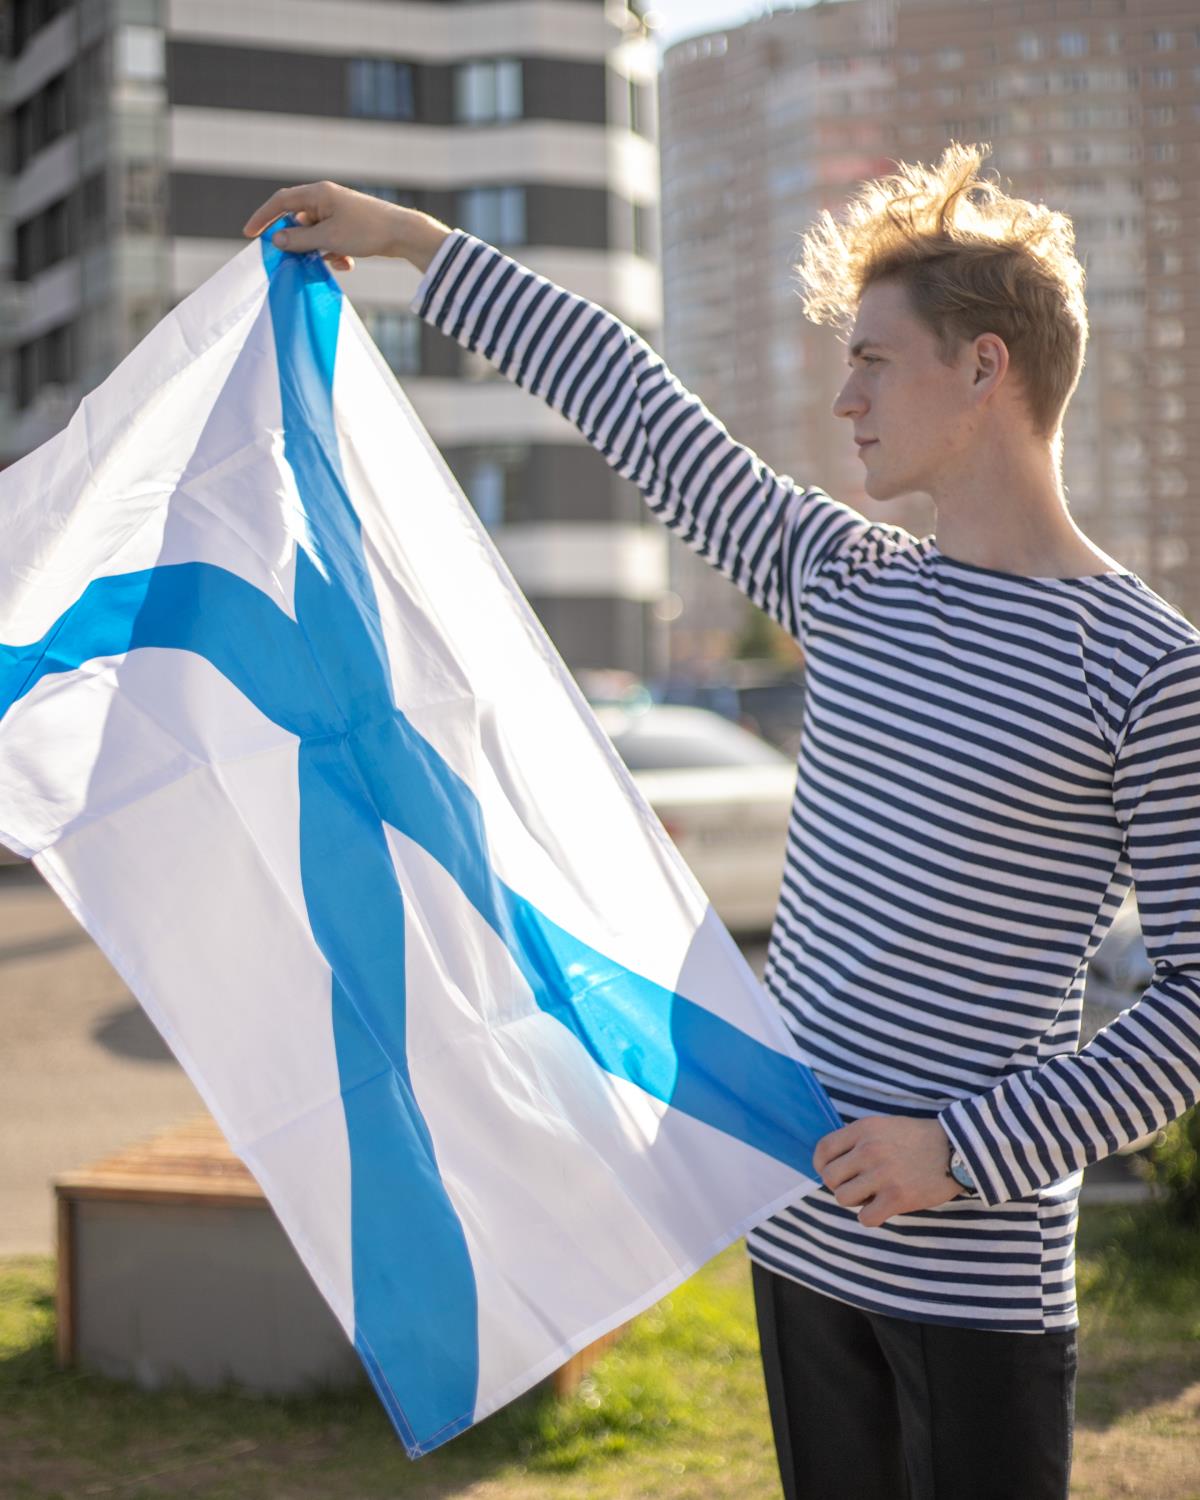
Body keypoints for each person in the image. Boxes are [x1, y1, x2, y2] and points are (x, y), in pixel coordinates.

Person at [242, 142, 1200, 1499]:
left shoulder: (1147, 669)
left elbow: (1192, 1010)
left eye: (874, 361)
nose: (845, 397)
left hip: (976, 1292)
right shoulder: (842, 579)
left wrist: (956, 1152)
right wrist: (407, 238)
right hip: (797, 1238)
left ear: (986, 367)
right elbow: (632, 400)